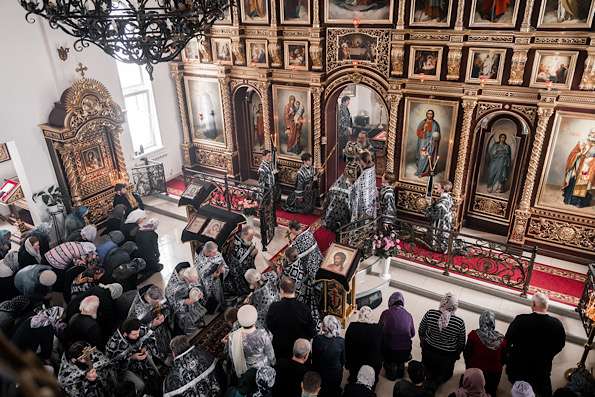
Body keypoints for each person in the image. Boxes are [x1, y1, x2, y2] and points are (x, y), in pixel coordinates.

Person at [505, 292, 566, 397]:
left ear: (533, 304)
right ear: (547, 306)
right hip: (542, 369)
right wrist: (548, 354)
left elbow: (507, 340)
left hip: (518, 366)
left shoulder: (520, 320)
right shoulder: (557, 324)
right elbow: (560, 345)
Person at [418, 292, 466, 386]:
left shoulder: (430, 314)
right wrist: (456, 355)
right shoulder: (459, 322)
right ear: (455, 306)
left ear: (442, 302)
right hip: (447, 355)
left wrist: (423, 343)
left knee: (429, 367)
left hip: (429, 350)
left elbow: (421, 331)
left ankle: (428, 375)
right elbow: (461, 343)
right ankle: (439, 379)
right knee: (443, 372)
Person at [105, 318, 161, 396]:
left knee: (155, 373)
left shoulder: (138, 328)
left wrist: (145, 347)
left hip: (141, 359)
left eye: (138, 333)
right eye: (134, 334)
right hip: (125, 369)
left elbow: (150, 336)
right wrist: (131, 357)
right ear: (125, 334)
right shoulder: (114, 345)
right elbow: (113, 365)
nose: (138, 335)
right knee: (140, 385)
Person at [266, 276, 316, 359]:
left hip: (281, 349)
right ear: (294, 290)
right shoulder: (304, 308)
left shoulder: (274, 307)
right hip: (300, 351)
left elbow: (270, 326)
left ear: (281, 290)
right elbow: (311, 331)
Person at [287, 221, 323, 326]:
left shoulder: (296, 243)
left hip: (310, 271)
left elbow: (294, 259)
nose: (291, 232)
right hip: (319, 262)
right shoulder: (309, 233)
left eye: (291, 231)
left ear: (293, 229)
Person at [464, 310, 507, 397]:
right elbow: (504, 359)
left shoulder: (473, 335)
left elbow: (466, 354)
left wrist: (469, 368)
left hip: (475, 375)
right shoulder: (502, 339)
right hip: (493, 377)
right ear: (493, 322)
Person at [127, 284, 173, 364]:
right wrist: (152, 325)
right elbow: (135, 332)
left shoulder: (156, 293)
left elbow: (166, 306)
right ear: (148, 299)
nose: (158, 305)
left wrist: (164, 315)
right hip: (150, 336)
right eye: (155, 303)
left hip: (163, 330)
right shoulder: (137, 312)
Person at [228, 304, 276, 377]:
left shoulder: (233, 336)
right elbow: (270, 353)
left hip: (245, 369)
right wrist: (273, 363)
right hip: (263, 367)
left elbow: (232, 356)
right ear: (255, 319)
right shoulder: (262, 334)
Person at [379, 291, 415, 380]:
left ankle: (390, 365)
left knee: (382, 341)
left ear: (390, 302)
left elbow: (378, 330)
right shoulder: (409, 315)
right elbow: (413, 334)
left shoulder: (385, 313)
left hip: (389, 351)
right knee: (401, 353)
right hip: (405, 352)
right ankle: (400, 364)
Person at [165, 263, 207, 335]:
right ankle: (189, 330)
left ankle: (198, 322)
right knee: (186, 317)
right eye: (190, 281)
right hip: (181, 306)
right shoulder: (172, 288)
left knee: (197, 309)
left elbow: (196, 284)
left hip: (191, 298)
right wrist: (185, 302)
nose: (192, 283)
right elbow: (172, 303)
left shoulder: (189, 272)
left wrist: (198, 291)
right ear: (186, 278)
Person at [345, 307, 382, 384]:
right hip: (372, 366)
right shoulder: (378, 329)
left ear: (360, 315)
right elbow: (381, 348)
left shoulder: (352, 327)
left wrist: (347, 364)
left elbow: (346, 347)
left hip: (355, 364)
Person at [312, 315, 345, 397]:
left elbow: (314, 359)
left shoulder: (316, 339)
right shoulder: (341, 341)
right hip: (336, 374)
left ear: (323, 327)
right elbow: (343, 361)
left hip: (320, 372)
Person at [562, 128, 595, 208]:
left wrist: (591, 160)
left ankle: (579, 202)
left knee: (582, 184)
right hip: (577, 166)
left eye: (594, 134)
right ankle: (569, 200)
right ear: (589, 133)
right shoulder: (582, 142)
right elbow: (573, 153)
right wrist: (579, 154)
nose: (592, 135)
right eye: (592, 133)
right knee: (573, 182)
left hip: (586, 168)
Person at [224, 226, 258, 302]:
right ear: (245, 234)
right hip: (235, 274)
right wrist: (251, 255)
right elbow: (241, 263)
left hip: (237, 269)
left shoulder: (240, 238)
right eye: (251, 236)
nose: (252, 238)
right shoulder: (234, 243)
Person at [196, 241, 228, 312]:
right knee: (211, 298)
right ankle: (213, 308)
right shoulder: (199, 260)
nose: (216, 254)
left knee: (219, 294)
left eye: (216, 251)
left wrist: (223, 269)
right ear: (208, 252)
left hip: (217, 280)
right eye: (214, 253)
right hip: (207, 285)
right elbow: (200, 276)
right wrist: (212, 276)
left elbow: (223, 264)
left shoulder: (216, 254)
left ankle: (221, 307)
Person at [426, 182, 454, 253]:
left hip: (441, 222)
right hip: (445, 220)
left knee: (441, 235)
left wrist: (428, 208)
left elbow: (436, 215)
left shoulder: (443, 202)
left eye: (437, 187)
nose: (436, 188)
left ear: (442, 189)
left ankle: (439, 247)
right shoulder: (448, 197)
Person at [350, 151, 377, 222]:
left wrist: (351, 185)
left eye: (360, 161)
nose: (359, 163)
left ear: (364, 161)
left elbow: (358, 187)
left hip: (364, 202)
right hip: (370, 198)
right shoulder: (371, 167)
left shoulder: (366, 173)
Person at [415, 109, 440, 177]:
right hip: (423, 142)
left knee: (428, 156)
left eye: (431, 114)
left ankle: (426, 171)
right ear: (426, 114)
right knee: (422, 157)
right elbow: (418, 133)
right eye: (428, 113)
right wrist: (424, 130)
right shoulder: (423, 122)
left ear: (433, 115)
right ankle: (420, 171)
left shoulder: (435, 124)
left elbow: (437, 135)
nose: (430, 115)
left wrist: (433, 139)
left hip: (431, 143)